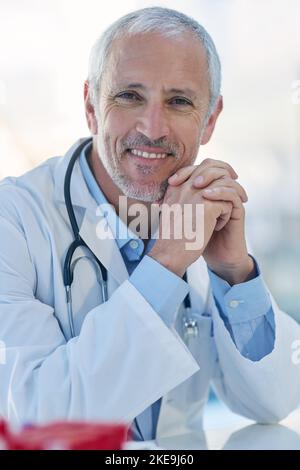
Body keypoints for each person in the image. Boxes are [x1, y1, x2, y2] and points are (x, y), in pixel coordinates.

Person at [0, 7, 299, 442]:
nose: (152, 127)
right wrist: (165, 265)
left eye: (179, 101)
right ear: (91, 106)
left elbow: (276, 401)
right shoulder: (14, 219)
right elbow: (36, 424)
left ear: (210, 118)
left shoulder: (203, 214)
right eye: (129, 96)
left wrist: (235, 273)